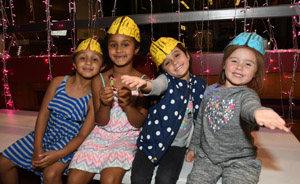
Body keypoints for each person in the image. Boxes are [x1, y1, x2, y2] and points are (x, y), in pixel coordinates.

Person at [186, 32, 290, 184]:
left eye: (248, 64)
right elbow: (200, 122)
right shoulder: (209, 91)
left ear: (255, 73)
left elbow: (250, 107)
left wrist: (258, 112)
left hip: (241, 161)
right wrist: (193, 147)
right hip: (208, 157)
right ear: (224, 65)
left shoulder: (247, 95)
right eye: (234, 61)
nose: (239, 67)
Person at [0, 37, 104, 184]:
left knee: (51, 173)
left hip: (69, 144)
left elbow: (82, 135)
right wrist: (37, 147)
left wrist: (58, 154)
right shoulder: (58, 82)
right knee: (2, 163)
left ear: (102, 67)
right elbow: (43, 115)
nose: (88, 62)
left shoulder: (95, 96)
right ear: (74, 63)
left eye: (95, 59)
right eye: (82, 58)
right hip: (46, 134)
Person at [67, 16, 149, 184]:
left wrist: (128, 106)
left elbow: (139, 122)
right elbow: (101, 121)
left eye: (125, 44)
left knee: (109, 179)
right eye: (113, 45)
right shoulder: (100, 80)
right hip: (100, 136)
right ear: (107, 49)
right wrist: (105, 104)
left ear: (136, 49)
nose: (119, 50)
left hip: (128, 138)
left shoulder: (143, 81)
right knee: (74, 179)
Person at [121, 37, 206, 184]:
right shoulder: (166, 80)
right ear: (163, 69)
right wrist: (145, 84)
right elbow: (156, 85)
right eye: (167, 62)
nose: (174, 62)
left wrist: (193, 146)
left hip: (177, 145)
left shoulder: (199, 85)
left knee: (165, 179)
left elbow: (200, 120)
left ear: (187, 55)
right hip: (152, 139)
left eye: (177, 55)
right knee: (139, 178)